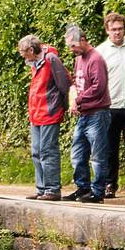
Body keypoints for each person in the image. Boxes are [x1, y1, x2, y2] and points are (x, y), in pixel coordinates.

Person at [95, 11, 125, 197]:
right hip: (109, 107)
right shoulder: (100, 51)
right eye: (114, 29)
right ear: (107, 30)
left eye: (120, 29)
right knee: (110, 148)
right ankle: (110, 185)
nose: (117, 32)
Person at [18, 33, 70, 200]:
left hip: (49, 112)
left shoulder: (51, 59)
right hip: (36, 113)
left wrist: (62, 107)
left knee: (48, 151)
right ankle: (41, 188)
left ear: (31, 50)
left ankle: (52, 189)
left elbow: (65, 84)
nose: (22, 56)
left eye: (23, 52)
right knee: (36, 151)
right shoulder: (34, 62)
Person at [63, 24, 111, 203]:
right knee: (77, 152)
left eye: (73, 46)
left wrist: (79, 100)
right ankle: (82, 188)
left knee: (97, 155)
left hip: (98, 113)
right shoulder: (79, 59)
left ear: (83, 40)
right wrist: (73, 98)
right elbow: (77, 82)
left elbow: (99, 87)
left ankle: (98, 192)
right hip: (84, 114)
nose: (71, 50)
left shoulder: (96, 59)